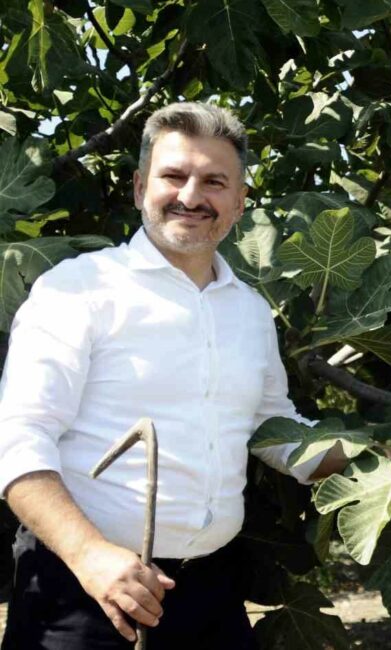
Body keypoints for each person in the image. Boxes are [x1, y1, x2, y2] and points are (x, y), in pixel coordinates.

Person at [0, 102, 346, 649]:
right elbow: (17, 441)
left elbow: (271, 426)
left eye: (213, 181)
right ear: (140, 187)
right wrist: (91, 556)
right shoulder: (78, 290)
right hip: (86, 589)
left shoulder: (250, 311)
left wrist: (372, 461)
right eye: (173, 176)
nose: (190, 196)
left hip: (212, 592)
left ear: (239, 202)